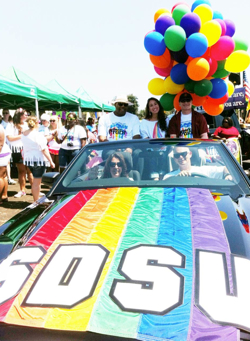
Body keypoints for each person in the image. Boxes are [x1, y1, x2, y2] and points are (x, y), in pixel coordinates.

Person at [21, 116, 55, 201]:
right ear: (36, 123)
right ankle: (36, 201)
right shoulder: (37, 135)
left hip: (28, 160)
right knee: (37, 182)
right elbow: (44, 149)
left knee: (35, 182)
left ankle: (35, 200)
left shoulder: (24, 134)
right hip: (38, 160)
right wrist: (51, 161)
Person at [5, 108, 33, 198]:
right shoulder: (11, 125)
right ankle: (22, 190)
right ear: (20, 116)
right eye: (25, 114)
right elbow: (9, 138)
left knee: (30, 171)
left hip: (28, 149)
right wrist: (23, 135)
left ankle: (34, 189)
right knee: (21, 171)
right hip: (17, 150)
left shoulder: (28, 124)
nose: (27, 116)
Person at [164, 146, 232, 180]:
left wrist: (228, 175)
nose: (181, 157)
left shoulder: (204, 170)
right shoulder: (169, 177)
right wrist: (177, 179)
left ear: (190, 154)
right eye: (177, 155)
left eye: (183, 154)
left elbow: (226, 168)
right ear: (174, 158)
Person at [0, 109, 16, 185]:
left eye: (7, 113)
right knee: (5, 163)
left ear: (9, 114)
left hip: (10, 145)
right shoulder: (1, 124)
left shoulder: (11, 124)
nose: (6, 114)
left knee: (8, 162)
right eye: (4, 113)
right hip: (3, 145)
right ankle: (7, 177)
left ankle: (9, 178)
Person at [0, 125, 11, 204]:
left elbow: (0, 144)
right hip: (4, 152)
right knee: (3, 176)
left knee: (0, 176)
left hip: (2, 153)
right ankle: (4, 195)